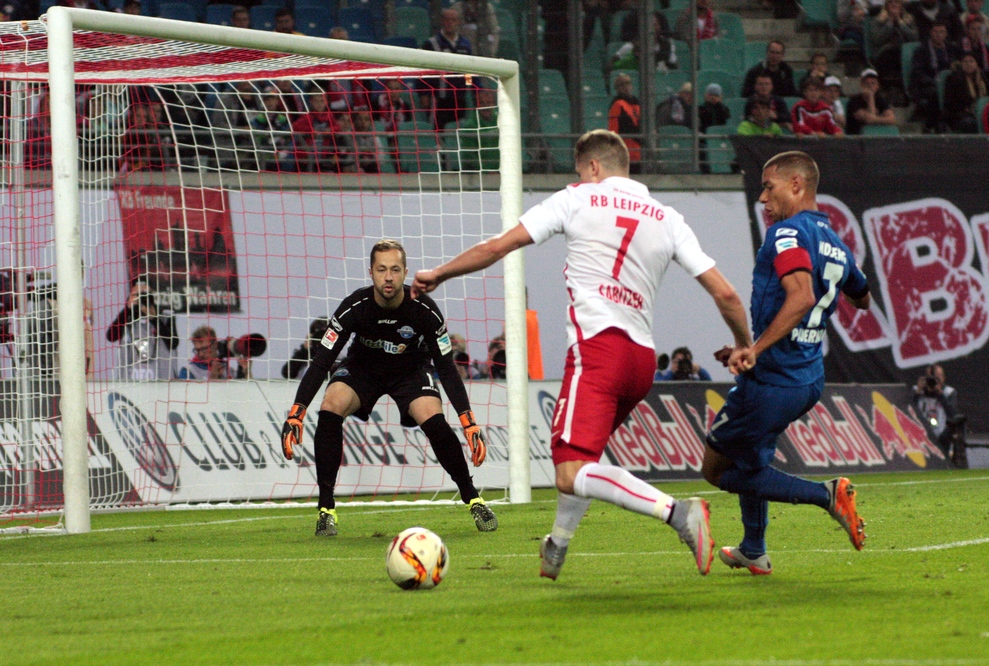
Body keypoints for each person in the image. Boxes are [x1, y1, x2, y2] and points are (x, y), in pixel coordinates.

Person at [410, 129, 755, 579]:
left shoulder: (578, 198)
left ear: (592, 167)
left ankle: (678, 513)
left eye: (579, 170)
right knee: (581, 462)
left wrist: (440, 273)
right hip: (642, 362)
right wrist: (745, 344)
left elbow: (498, 246)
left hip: (598, 351)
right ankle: (557, 546)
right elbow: (727, 293)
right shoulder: (667, 217)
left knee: (571, 470)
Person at [702, 151, 871, 576]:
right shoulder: (835, 241)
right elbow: (862, 296)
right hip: (807, 375)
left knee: (715, 468)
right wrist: (753, 344)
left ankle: (826, 495)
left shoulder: (786, 234)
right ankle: (753, 549)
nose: (763, 197)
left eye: (769, 186)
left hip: (774, 379)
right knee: (752, 459)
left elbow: (801, 297)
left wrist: (756, 350)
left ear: (796, 185)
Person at [280, 239, 498, 537]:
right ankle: (326, 509)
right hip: (362, 370)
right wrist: (297, 413)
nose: (388, 277)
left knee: (433, 419)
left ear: (405, 272)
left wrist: (468, 420)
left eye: (395, 269)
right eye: (382, 269)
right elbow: (321, 362)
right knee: (331, 405)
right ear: (370, 272)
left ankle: (473, 498)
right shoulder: (354, 307)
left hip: (410, 371)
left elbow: (446, 368)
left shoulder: (424, 310)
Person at [106, 278, 178, 381]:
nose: (142, 298)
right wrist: (127, 309)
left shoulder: (166, 316)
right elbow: (111, 337)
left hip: (161, 383)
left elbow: (173, 343)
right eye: (137, 295)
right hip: (131, 383)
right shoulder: (126, 319)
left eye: (145, 294)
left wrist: (154, 318)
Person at [420, 9, 474, 130]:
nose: (449, 23)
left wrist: (468, 86)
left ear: (458, 22)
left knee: (458, 134)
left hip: (460, 99)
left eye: (453, 20)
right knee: (439, 133)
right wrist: (424, 93)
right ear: (442, 22)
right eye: (446, 19)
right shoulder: (431, 44)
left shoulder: (465, 45)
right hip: (439, 100)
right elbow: (422, 70)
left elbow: (469, 70)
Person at [913, 363, 966, 466]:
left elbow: (953, 414)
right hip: (922, 434)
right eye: (931, 377)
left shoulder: (948, 392)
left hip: (942, 434)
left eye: (938, 376)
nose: (934, 380)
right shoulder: (917, 391)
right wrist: (918, 392)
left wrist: (940, 394)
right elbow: (908, 411)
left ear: (943, 378)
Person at [909, 23, 957, 132]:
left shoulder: (951, 49)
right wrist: (933, 82)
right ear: (931, 33)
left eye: (942, 32)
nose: (939, 35)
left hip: (948, 85)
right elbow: (917, 72)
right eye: (936, 32)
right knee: (935, 93)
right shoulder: (921, 50)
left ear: (946, 34)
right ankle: (932, 124)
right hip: (927, 85)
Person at [870, 0, 920, 94]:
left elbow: (915, 38)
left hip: (904, 52)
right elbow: (877, 39)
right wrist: (890, 23)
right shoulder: (878, 20)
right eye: (890, 2)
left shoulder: (909, 20)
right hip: (886, 52)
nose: (893, 4)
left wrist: (901, 23)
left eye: (896, 2)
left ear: (901, 5)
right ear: (886, 5)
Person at [177, 325, 252, 380]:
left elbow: (244, 394)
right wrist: (213, 378)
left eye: (205, 349)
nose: (201, 354)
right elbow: (188, 398)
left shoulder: (228, 370)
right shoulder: (188, 371)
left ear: (215, 345)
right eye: (197, 350)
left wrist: (246, 372)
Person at [943, 52, 989, 132]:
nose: (968, 64)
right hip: (960, 115)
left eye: (971, 61)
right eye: (965, 62)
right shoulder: (953, 78)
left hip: (980, 112)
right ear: (961, 64)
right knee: (970, 123)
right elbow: (950, 104)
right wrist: (968, 110)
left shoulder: (982, 77)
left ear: (976, 63)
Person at [608, 73, 643, 173]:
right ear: (617, 88)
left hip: (638, 152)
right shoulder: (617, 104)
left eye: (627, 83)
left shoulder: (637, 103)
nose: (625, 87)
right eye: (621, 85)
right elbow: (613, 130)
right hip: (626, 151)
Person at [845, 68, 898, 134]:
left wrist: (875, 119)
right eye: (866, 83)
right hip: (856, 137)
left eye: (873, 83)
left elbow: (892, 119)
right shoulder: (854, 101)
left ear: (877, 85)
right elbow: (869, 120)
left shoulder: (880, 100)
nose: (870, 86)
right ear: (861, 84)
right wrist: (870, 97)